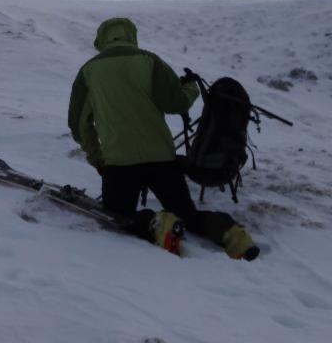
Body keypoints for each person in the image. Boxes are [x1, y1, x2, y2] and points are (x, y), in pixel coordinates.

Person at [67, 17, 259, 260]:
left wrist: (98, 159)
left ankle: (157, 223)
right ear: (132, 36)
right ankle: (232, 235)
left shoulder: (88, 71)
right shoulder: (150, 61)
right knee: (188, 214)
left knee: (119, 217)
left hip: (119, 163)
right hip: (162, 158)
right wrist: (191, 88)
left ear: (101, 39)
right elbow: (176, 102)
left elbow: (78, 125)